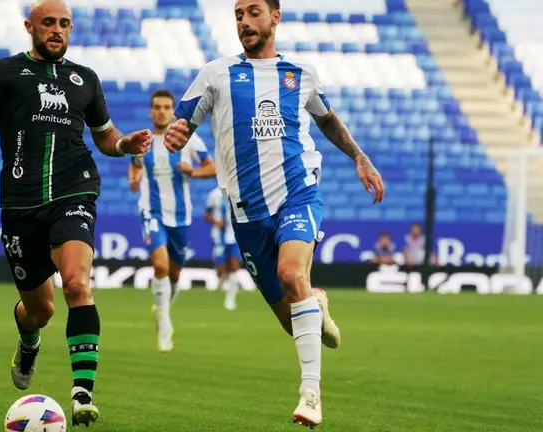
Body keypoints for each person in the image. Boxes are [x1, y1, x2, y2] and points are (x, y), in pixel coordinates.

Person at [164, 0, 385, 427]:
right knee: (292, 319)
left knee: (290, 273)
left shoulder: (300, 74)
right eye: (238, 15)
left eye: (253, 12)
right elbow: (184, 121)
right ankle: (316, 301)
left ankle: (311, 394)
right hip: (247, 213)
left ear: (274, 17)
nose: (244, 22)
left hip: (297, 194)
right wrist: (177, 133)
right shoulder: (216, 73)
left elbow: (327, 120)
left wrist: (360, 157)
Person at [0, 0, 151, 426]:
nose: (57, 30)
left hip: (74, 190)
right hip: (20, 203)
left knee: (77, 284)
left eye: (64, 23)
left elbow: (105, 136)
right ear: (30, 27)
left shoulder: (86, 79)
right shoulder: (6, 72)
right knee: (39, 311)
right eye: (48, 23)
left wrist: (125, 145)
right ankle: (29, 341)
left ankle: (82, 394)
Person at [128, 89, 215, 352]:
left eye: (166, 107)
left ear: (173, 110)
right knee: (160, 266)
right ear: (151, 111)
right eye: (157, 107)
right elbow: (135, 163)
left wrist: (193, 172)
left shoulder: (187, 138)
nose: (161, 111)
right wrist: (134, 178)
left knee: (175, 273)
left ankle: (162, 307)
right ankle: (164, 323)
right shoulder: (142, 140)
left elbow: (212, 167)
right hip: (151, 211)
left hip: (180, 215)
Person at [204, 186, 242, 310]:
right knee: (221, 269)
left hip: (235, 237)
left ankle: (230, 299)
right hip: (219, 237)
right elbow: (206, 214)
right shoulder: (214, 194)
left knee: (234, 266)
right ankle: (220, 281)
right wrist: (217, 222)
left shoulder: (238, 190)